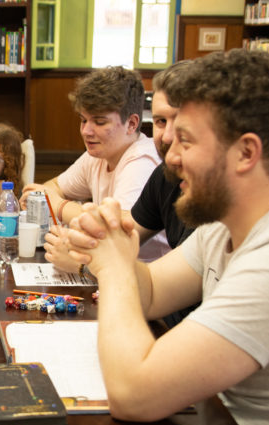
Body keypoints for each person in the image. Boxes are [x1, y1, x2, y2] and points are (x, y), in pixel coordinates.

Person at [66, 49, 269, 425]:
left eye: (186, 140)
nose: (169, 157)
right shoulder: (231, 219)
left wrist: (112, 266)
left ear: (246, 153)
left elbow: (132, 395)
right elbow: (148, 292)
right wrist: (107, 243)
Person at [45, 61, 196, 327]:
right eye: (161, 121)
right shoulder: (166, 176)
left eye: (184, 123)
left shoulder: (145, 163)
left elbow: (116, 251)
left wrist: (86, 263)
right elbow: (141, 276)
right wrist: (95, 255)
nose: (169, 137)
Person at [20, 66, 168, 264]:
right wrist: (42, 198)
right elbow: (53, 187)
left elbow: (117, 234)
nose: (86, 131)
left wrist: (59, 206)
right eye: (83, 120)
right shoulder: (98, 153)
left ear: (131, 124)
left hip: (145, 277)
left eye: (99, 122)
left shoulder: (142, 160)